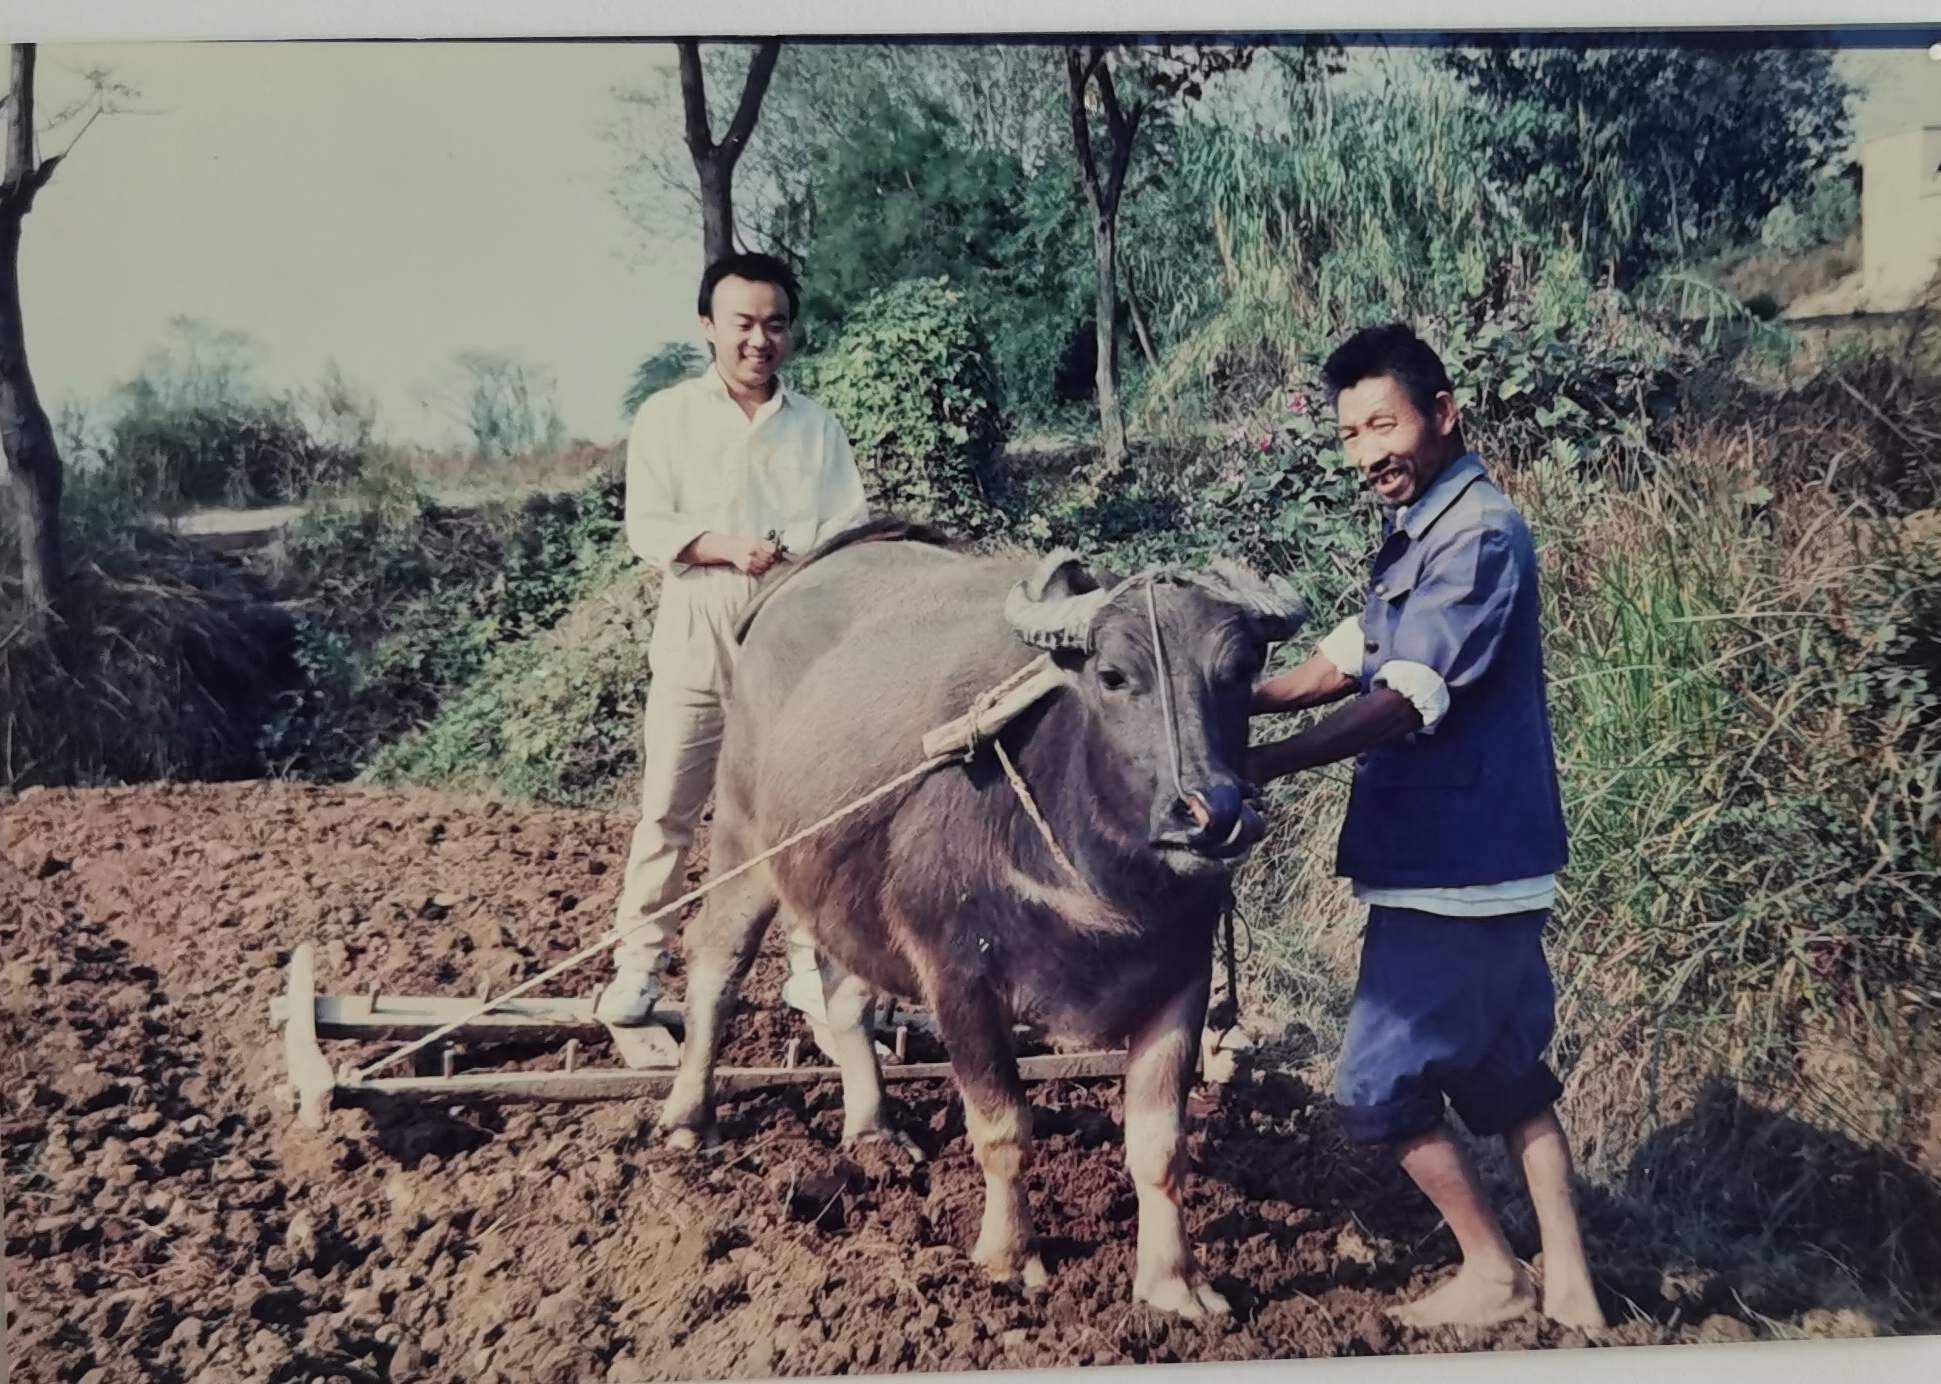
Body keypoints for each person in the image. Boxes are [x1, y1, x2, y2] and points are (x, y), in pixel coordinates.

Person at [1246, 322, 1605, 1331]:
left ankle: (1493, 1269)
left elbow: (1406, 691)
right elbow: (1354, 651)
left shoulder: (1478, 535)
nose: (1365, 453)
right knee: (1503, 1073)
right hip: (1487, 857)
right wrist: (1242, 696)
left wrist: (1269, 760)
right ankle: (1570, 1281)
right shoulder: (1427, 526)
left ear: (1442, 413)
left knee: (1376, 1086)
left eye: (1384, 425)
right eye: (1349, 434)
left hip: (1453, 864)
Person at [597, 252, 872, 1037]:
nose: (759, 340)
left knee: (800, 817)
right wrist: (722, 546)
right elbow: (648, 523)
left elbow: (848, 527)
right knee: (668, 811)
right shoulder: (668, 417)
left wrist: (794, 558)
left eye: (775, 325)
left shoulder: (816, 427)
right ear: (708, 326)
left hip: (794, 637)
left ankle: (809, 970)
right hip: (698, 628)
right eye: (743, 323)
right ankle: (639, 967)